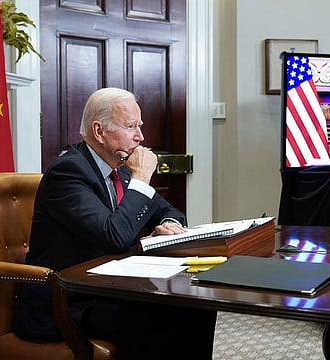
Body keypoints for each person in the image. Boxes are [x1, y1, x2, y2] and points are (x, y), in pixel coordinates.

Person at [13, 87, 217, 359]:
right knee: (161, 320)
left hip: (109, 290)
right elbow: (115, 236)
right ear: (99, 131)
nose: (141, 137)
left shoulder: (119, 169)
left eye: (140, 126)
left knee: (196, 305)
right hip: (66, 300)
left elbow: (173, 214)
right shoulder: (68, 172)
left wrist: (167, 223)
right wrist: (142, 178)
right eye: (130, 126)